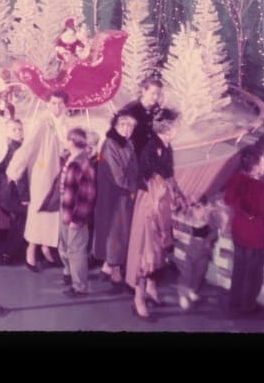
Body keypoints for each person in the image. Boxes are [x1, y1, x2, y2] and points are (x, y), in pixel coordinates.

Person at [126, 110, 186, 319]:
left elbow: (169, 175)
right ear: (167, 127)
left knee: (157, 253)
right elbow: (158, 181)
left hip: (159, 201)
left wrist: (179, 195)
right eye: (176, 125)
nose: (178, 128)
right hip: (151, 204)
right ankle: (138, 299)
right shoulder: (153, 150)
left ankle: (151, 290)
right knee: (146, 254)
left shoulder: (166, 146)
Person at [6, 91, 69, 272]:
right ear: (47, 104)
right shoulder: (41, 123)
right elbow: (28, 147)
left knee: (53, 211)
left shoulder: (64, 123)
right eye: (54, 103)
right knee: (39, 211)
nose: (57, 107)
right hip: (43, 172)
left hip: (58, 173)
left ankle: (46, 247)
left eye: (60, 104)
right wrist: (14, 169)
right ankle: (31, 251)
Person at [224, 144, 264, 315]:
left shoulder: (237, 179)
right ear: (255, 168)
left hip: (239, 230)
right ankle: (247, 306)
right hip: (255, 235)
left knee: (239, 267)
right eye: (263, 163)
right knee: (253, 272)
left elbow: (228, 199)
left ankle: (235, 300)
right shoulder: (261, 187)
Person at [92, 112, 138, 291]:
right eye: (123, 125)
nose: (127, 130)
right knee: (116, 231)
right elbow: (117, 175)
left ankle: (108, 267)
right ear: (115, 126)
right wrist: (135, 186)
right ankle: (114, 268)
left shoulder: (128, 143)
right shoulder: (110, 144)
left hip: (123, 194)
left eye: (130, 126)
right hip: (115, 195)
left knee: (119, 232)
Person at [58, 127, 97, 297]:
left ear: (72, 142)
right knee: (65, 245)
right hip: (66, 209)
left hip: (75, 214)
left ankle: (80, 287)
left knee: (77, 250)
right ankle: (71, 275)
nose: (65, 142)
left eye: (67, 139)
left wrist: (78, 218)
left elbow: (87, 195)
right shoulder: (72, 159)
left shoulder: (82, 164)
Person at [176, 195, 224, 311]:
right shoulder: (188, 213)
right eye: (194, 205)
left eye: (199, 206)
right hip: (189, 249)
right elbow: (181, 222)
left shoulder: (210, 216)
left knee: (199, 273)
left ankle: (192, 290)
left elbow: (215, 232)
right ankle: (183, 295)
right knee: (186, 274)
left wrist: (208, 240)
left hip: (203, 251)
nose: (196, 209)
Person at [0, 118, 28, 265]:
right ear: (7, 132)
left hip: (7, 195)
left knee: (16, 223)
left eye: (20, 129)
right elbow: (21, 177)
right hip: (16, 195)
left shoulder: (9, 147)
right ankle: (9, 253)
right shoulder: (18, 150)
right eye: (14, 129)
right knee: (19, 224)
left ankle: (12, 251)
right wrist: (25, 197)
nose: (18, 132)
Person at [114, 77, 163, 155]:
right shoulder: (131, 109)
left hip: (149, 152)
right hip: (133, 154)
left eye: (158, 94)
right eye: (153, 93)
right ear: (143, 91)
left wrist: (159, 145)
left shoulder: (155, 107)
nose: (156, 97)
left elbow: (154, 130)